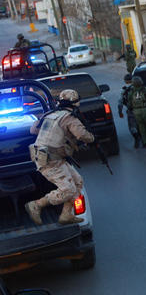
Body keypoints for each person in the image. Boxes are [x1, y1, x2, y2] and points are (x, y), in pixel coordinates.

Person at [25, 89, 95, 225]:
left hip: (52, 158)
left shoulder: (50, 114)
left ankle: (66, 215)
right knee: (68, 190)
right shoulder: (69, 117)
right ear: (75, 103)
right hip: (49, 161)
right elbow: (82, 135)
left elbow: (33, 130)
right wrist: (92, 138)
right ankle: (36, 205)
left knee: (77, 182)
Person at [118, 74, 141, 148]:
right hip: (141, 109)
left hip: (131, 111)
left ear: (125, 81)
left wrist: (120, 112)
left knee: (132, 127)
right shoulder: (138, 87)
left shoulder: (124, 90)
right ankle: (145, 141)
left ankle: (137, 139)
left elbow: (120, 102)